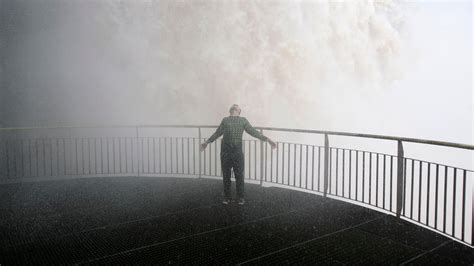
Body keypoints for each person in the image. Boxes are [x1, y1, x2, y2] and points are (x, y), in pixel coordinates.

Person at [200, 104, 277, 205]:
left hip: (226, 151)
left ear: (234, 110)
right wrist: (268, 140)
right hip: (235, 151)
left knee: (229, 175)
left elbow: (217, 133)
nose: (234, 107)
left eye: (235, 107)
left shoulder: (226, 120)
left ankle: (229, 198)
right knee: (238, 175)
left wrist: (207, 142)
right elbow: (253, 132)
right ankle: (238, 198)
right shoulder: (241, 120)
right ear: (238, 111)